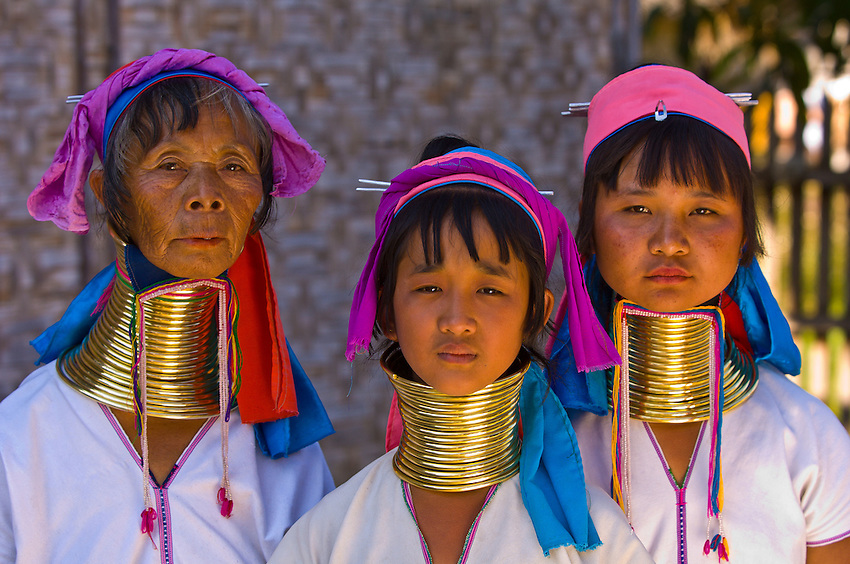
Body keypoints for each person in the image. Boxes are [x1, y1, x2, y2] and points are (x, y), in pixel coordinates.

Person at [0, 48, 335, 562]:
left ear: (259, 199)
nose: (206, 194)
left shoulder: (285, 450)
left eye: (233, 165)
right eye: (170, 164)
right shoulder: (24, 436)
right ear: (109, 197)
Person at [269, 137, 653, 563]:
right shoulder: (325, 538)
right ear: (387, 310)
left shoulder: (597, 540)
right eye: (429, 288)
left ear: (534, 312)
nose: (457, 319)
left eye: (489, 290)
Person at [549, 64, 850, 563]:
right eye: (637, 210)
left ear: (744, 234)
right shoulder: (552, 443)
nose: (670, 241)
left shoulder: (806, 438)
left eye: (704, 211)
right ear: (589, 222)